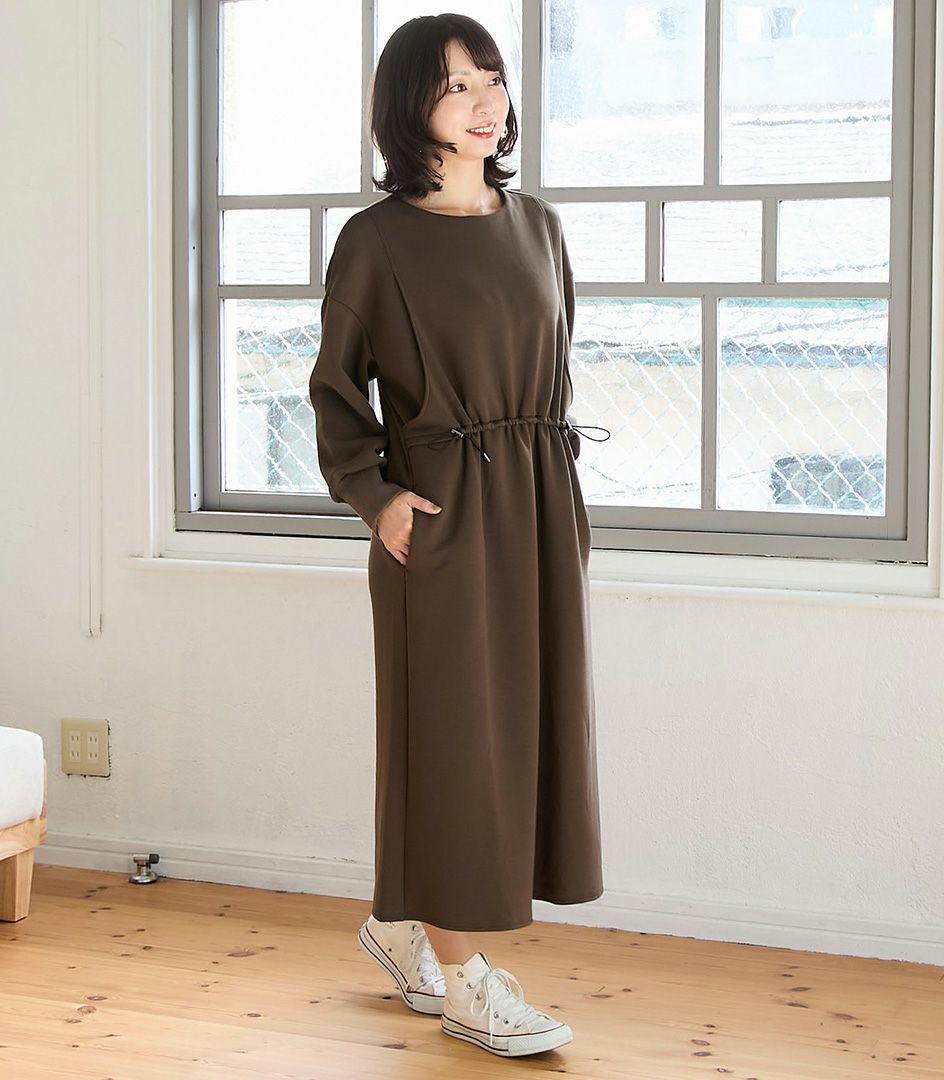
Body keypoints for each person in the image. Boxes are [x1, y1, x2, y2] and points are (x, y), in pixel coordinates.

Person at [309, 13, 610, 1059]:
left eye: (492, 78)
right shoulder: (375, 241)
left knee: (523, 734)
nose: (485, 102)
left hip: (537, 510)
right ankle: (467, 983)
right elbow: (335, 390)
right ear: (410, 106)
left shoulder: (539, 226)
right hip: (437, 520)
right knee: (449, 747)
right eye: (454, 86)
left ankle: (402, 928)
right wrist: (373, 494)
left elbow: (549, 374)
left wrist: (556, 503)